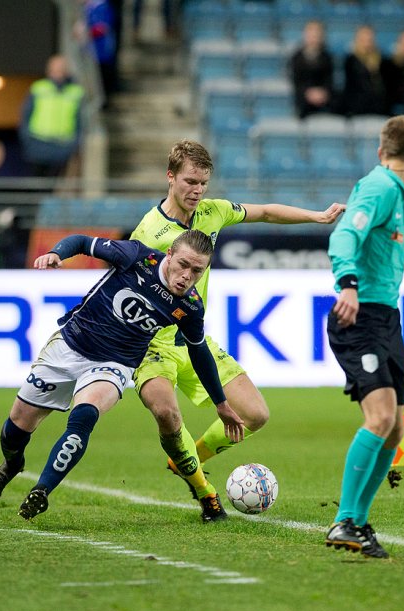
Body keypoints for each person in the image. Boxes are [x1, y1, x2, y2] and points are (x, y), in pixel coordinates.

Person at [128, 140, 344, 520]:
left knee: (256, 414)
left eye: (203, 184)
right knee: (166, 412)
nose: (197, 191)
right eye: (190, 182)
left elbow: (265, 212)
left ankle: (186, 458)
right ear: (170, 177)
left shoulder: (213, 213)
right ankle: (205, 492)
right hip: (152, 346)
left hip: (193, 341)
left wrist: (318, 216)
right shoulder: (148, 233)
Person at [0, 229, 245, 521]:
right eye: (183, 265)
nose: (187, 276)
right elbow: (81, 242)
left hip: (115, 364)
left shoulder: (190, 306)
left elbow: (199, 352)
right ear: (169, 254)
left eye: (197, 271)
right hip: (69, 346)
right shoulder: (136, 257)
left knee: (85, 415)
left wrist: (221, 404)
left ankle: (42, 490)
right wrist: (57, 253)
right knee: (17, 427)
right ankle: (11, 465)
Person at [323, 115, 404, 560]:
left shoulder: (391, 192)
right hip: (360, 315)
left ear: (382, 150)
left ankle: (358, 524)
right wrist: (347, 282)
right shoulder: (380, 188)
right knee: (381, 418)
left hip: (385, 320)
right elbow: (346, 234)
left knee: (395, 428)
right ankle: (345, 519)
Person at [19, 55, 85, 178]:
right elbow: (25, 115)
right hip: (37, 144)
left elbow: (80, 121)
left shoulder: (76, 91)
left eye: (60, 70)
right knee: (37, 184)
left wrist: (74, 144)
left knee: (55, 186)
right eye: (54, 70)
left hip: (62, 146)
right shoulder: (39, 88)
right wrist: (27, 139)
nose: (57, 74)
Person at [289, 19, 337, 119]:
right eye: (311, 34)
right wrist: (308, 93)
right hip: (303, 101)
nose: (314, 37)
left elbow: (329, 80)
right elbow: (296, 81)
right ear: (305, 35)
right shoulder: (296, 58)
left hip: (325, 100)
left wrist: (323, 93)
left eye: (317, 34)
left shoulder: (328, 58)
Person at [341, 25, 391, 117]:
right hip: (357, 108)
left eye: (369, 39)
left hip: (379, 107)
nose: (367, 43)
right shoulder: (350, 60)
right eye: (363, 39)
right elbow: (350, 87)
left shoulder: (383, 61)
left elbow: (385, 86)